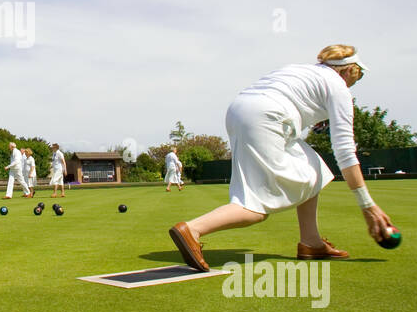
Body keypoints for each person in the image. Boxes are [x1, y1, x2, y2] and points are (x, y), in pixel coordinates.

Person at [168, 45, 395, 272]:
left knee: (313, 167)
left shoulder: (302, 71)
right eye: (355, 78)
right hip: (266, 117)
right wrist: (368, 206)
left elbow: (292, 101)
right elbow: (345, 150)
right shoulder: (338, 87)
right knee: (255, 207)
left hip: (240, 111)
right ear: (346, 71)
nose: (352, 85)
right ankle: (192, 229)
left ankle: (311, 242)